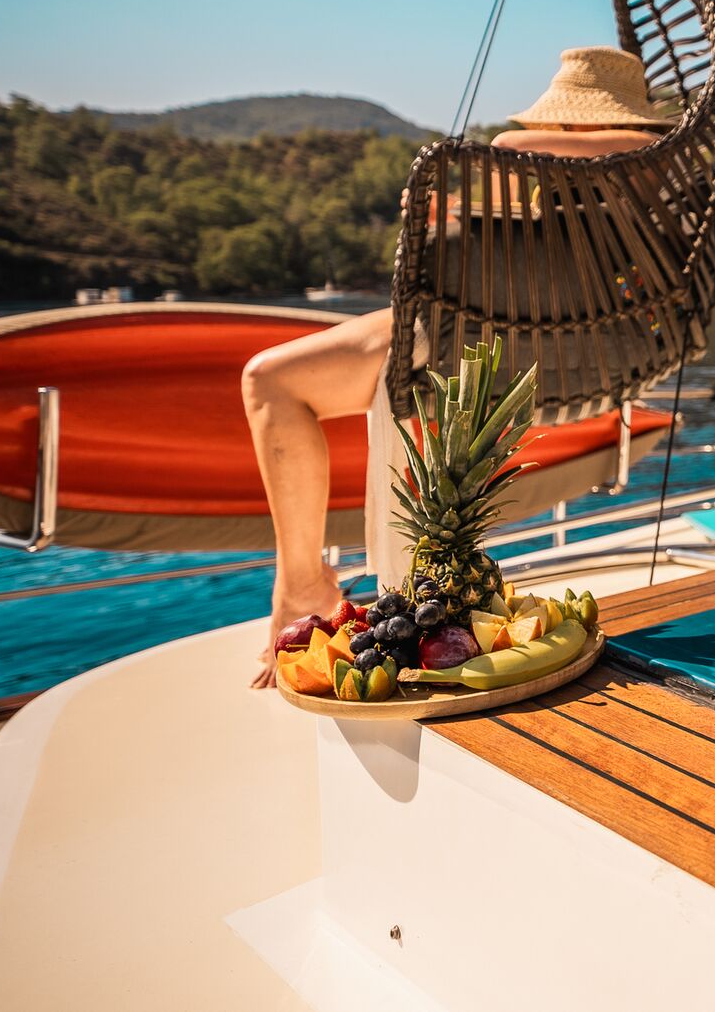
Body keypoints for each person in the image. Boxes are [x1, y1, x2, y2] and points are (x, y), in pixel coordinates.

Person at [241, 47, 670, 687]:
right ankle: (308, 583)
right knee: (269, 379)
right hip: (477, 328)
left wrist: (520, 142)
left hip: (499, 340)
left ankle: (314, 589)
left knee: (273, 378)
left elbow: (509, 147)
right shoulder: (595, 192)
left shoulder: (643, 169)